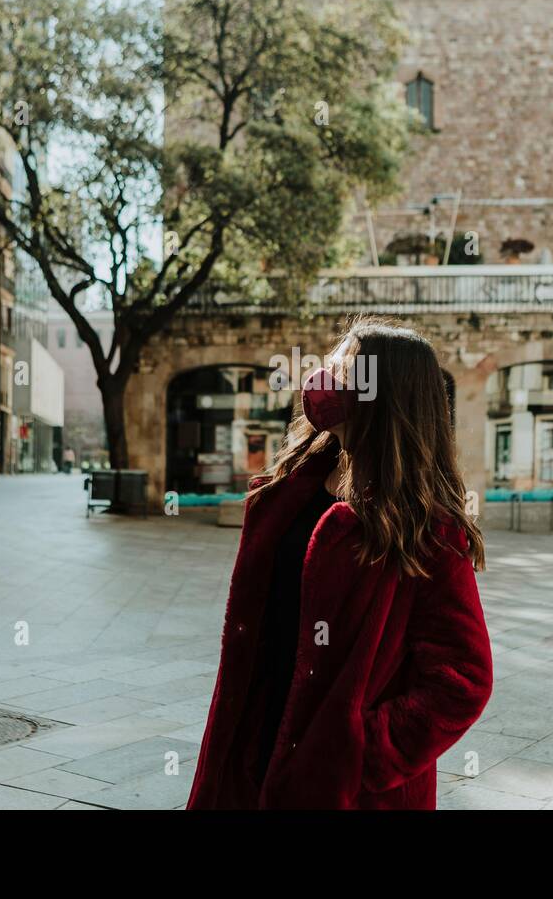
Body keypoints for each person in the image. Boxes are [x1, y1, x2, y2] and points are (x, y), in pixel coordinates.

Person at [187, 318, 492, 810]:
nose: (323, 377)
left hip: (343, 790)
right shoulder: (290, 491)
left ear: (382, 393)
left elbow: (463, 679)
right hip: (255, 747)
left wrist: (353, 752)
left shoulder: (427, 530)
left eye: (342, 368)